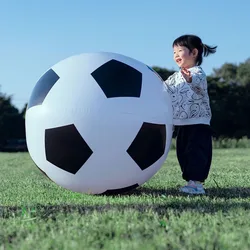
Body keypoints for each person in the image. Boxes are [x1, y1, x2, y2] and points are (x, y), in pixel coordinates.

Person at [164, 34, 217, 194]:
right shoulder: (174, 77)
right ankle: (191, 182)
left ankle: (197, 184)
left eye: (180, 50)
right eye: (174, 52)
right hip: (181, 123)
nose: (176, 55)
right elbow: (164, 88)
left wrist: (189, 79)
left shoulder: (197, 73)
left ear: (194, 53)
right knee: (184, 154)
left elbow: (196, 82)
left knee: (196, 153)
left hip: (198, 123)